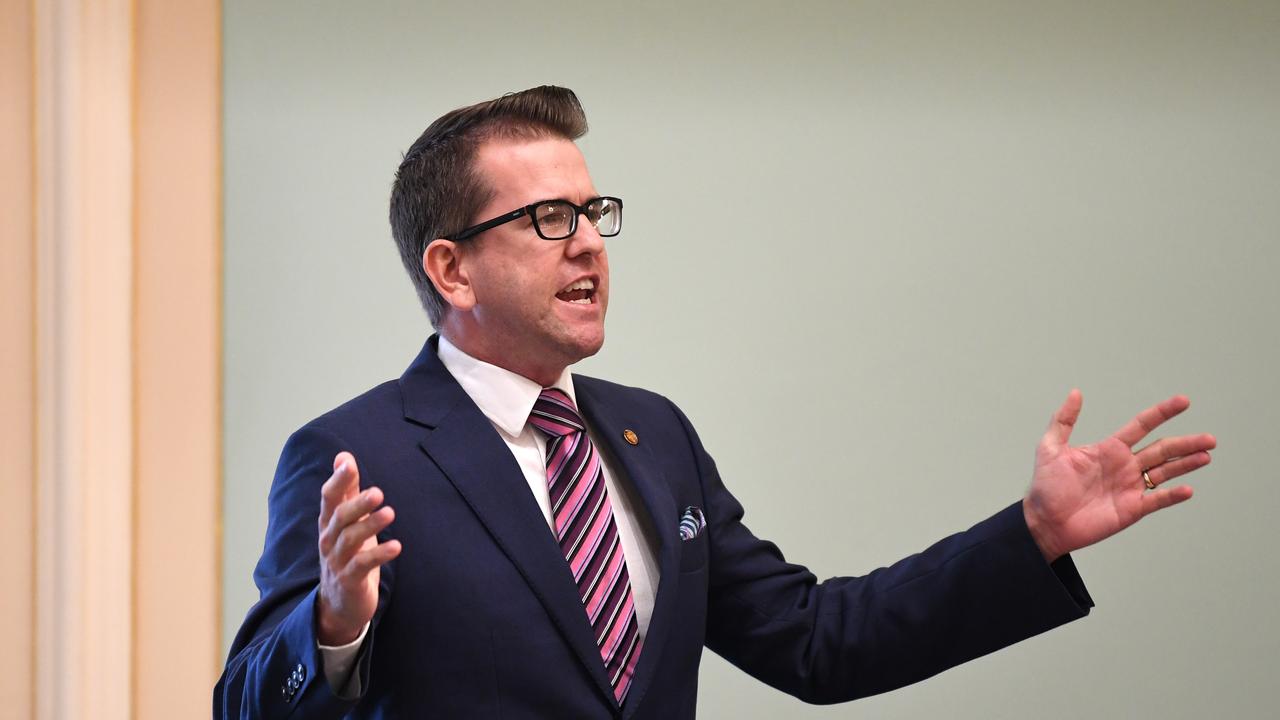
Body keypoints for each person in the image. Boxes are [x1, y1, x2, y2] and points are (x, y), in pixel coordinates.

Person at [214, 86, 1216, 718]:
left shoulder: (653, 438)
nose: (589, 245)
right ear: (453, 269)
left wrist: (1031, 534)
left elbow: (816, 641)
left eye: (593, 213)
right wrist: (336, 624)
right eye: (548, 217)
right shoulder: (355, 453)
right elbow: (246, 706)